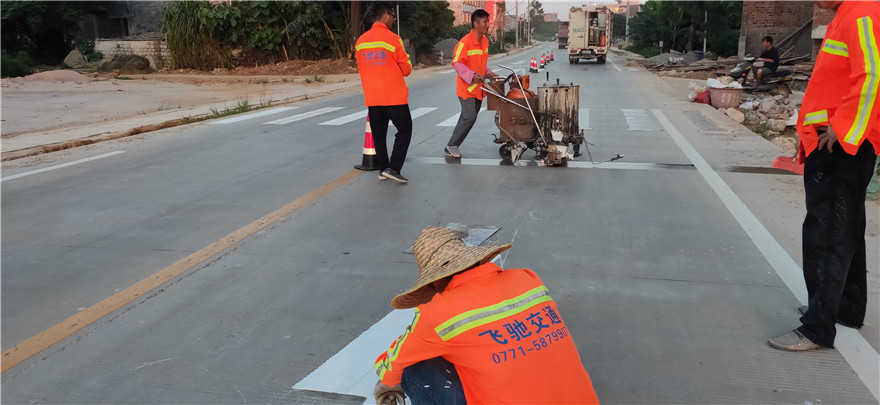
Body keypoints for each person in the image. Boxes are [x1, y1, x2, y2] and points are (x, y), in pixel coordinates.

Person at [373, 226, 600, 404]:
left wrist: (386, 385)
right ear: (475, 260)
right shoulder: (527, 279)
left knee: (414, 369)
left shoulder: (438, 313)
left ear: (433, 283)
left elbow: (393, 362)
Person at [768, 0, 879, 351]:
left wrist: (842, 130)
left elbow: (873, 74)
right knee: (847, 229)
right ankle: (844, 308)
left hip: (841, 145)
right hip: (839, 142)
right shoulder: (845, 14)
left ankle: (817, 327)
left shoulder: (861, 12)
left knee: (827, 233)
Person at [355, 2, 412, 183]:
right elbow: (406, 69)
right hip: (394, 96)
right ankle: (393, 168)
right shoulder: (393, 39)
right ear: (387, 15)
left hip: (373, 97)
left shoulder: (361, 41)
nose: (393, 21)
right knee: (404, 130)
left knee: (378, 135)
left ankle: (383, 169)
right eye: (393, 17)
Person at [444, 9, 497, 158]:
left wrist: (489, 73)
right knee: (469, 117)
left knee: (468, 117)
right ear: (476, 24)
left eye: (488, 21)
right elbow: (456, 62)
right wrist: (472, 76)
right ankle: (452, 145)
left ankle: (452, 145)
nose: (488, 25)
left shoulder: (485, 41)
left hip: (478, 88)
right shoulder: (465, 42)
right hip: (466, 88)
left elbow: (480, 63)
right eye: (485, 22)